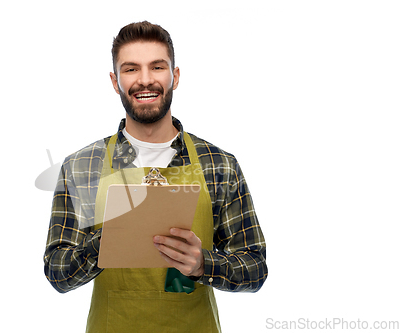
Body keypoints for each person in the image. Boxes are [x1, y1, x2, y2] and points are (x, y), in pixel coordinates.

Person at [43, 21, 268, 332]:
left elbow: (255, 269)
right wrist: (106, 243)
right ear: (115, 80)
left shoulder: (219, 164)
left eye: (157, 67)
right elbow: (57, 273)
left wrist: (204, 264)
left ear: (174, 76)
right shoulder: (82, 166)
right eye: (131, 69)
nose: (145, 80)